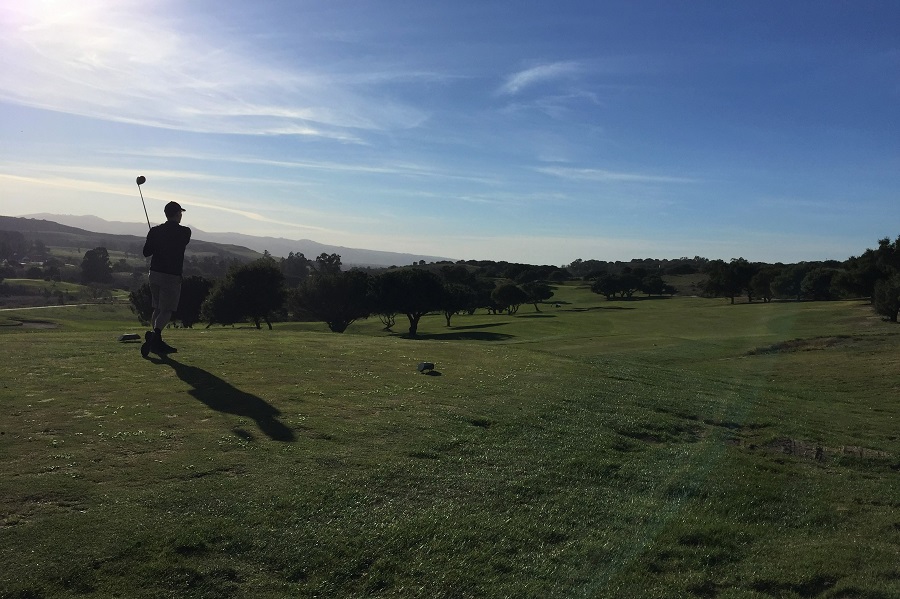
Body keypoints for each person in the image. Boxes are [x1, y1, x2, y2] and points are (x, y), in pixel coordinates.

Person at [142, 201, 191, 354]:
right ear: (177, 214)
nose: (181, 215)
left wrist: (154, 238)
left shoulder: (155, 231)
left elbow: (146, 252)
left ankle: (157, 341)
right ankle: (155, 336)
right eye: (180, 213)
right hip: (171, 276)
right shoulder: (185, 232)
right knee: (167, 310)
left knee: (157, 308)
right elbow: (180, 242)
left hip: (154, 274)